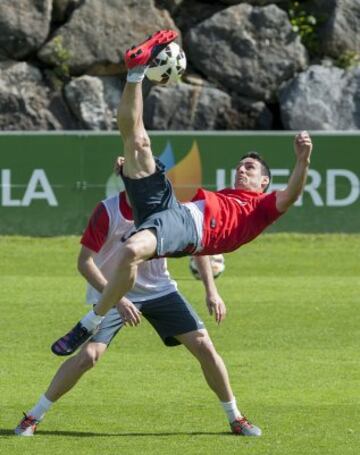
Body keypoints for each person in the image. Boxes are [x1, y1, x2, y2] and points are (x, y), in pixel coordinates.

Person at [52, 30, 313, 365]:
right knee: (137, 143)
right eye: (240, 166)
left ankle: (90, 321)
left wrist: (302, 160)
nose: (242, 171)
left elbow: (290, 195)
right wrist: (132, 177)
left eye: (250, 168)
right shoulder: (220, 196)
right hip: (175, 212)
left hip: (183, 225)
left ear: (264, 182)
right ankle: (136, 72)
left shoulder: (262, 207)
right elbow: (194, 227)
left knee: (132, 250)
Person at [15, 189, 261, 437]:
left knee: (205, 347)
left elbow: (197, 241)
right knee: (89, 356)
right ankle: (33, 417)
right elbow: (84, 262)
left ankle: (236, 418)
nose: (144, 179)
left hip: (160, 290)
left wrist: (211, 290)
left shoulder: (165, 205)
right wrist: (118, 298)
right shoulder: (107, 212)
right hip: (113, 293)